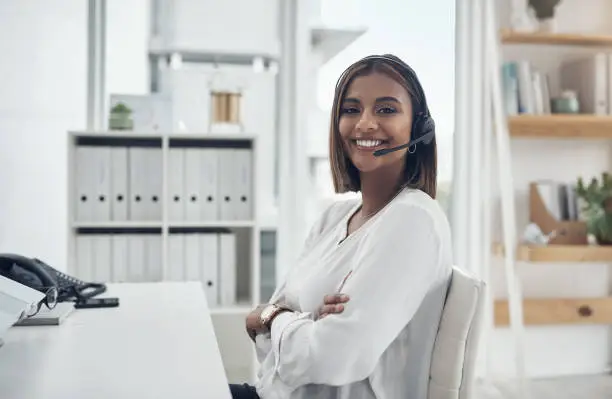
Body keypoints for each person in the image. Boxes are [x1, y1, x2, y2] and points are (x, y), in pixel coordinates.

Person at [230, 54, 453, 399]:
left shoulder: (413, 220)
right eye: (351, 110)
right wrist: (300, 323)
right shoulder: (334, 218)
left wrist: (274, 317)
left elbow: (330, 357)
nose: (364, 124)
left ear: (419, 128)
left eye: (386, 109)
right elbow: (269, 349)